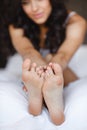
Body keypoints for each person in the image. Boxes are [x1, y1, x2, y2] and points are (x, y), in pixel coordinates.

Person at [0, 0, 86, 126]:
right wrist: (42, 74)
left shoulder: (76, 22)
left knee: (52, 58)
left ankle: (39, 97)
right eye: (26, 3)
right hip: (34, 68)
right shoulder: (16, 24)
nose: (34, 8)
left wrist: (50, 73)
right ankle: (50, 101)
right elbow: (27, 52)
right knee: (33, 60)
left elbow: (63, 56)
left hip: (61, 70)